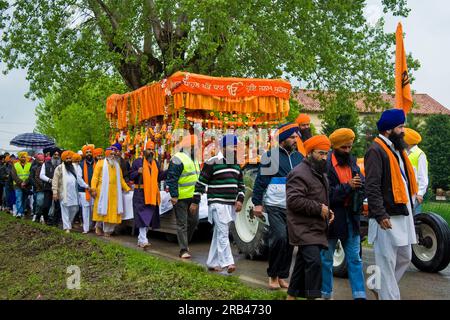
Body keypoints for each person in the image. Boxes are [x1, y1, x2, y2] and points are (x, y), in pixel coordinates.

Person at [364, 109, 417, 300]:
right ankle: (387, 295)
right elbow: (372, 187)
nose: (403, 130)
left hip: (401, 213)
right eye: (400, 127)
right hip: (385, 217)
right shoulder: (375, 150)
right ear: (388, 130)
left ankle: (378, 288)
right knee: (386, 263)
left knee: (405, 257)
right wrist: (380, 214)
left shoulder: (396, 149)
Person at [252, 122, 303, 289]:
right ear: (283, 139)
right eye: (292, 137)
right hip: (274, 205)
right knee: (280, 237)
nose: (296, 140)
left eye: (296, 137)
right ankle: (272, 275)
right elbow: (260, 182)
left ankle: (282, 276)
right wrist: (257, 204)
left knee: (290, 242)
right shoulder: (270, 156)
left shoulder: (299, 158)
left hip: (293, 207)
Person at [286, 135, 334, 300]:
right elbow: (293, 200)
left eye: (326, 154)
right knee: (314, 263)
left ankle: (291, 296)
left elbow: (319, 197)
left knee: (302, 263)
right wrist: (319, 208)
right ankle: (313, 297)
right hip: (302, 227)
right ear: (310, 153)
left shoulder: (318, 172)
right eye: (321, 153)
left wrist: (328, 211)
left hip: (315, 226)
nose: (324, 157)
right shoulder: (299, 173)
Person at [321, 128, 366, 300]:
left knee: (355, 260)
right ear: (335, 146)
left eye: (349, 147)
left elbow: (362, 182)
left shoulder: (352, 162)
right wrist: (348, 186)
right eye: (344, 148)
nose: (347, 151)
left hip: (351, 218)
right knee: (326, 259)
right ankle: (326, 294)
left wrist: (360, 185)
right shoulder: (325, 165)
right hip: (333, 218)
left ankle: (359, 296)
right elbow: (327, 194)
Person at [190, 134, 245, 273]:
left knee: (218, 233)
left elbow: (241, 186)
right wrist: (195, 202)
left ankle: (212, 262)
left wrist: (240, 200)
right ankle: (228, 262)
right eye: (232, 146)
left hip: (230, 204)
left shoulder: (237, 165)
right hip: (216, 203)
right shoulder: (212, 162)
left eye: (235, 146)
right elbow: (201, 183)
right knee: (222, 232)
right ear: (223, 147)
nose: (234, 149)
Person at [166, 135, 201, 259]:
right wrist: (174, 195)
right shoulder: (177, 159)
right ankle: (183, 250)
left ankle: (185, 243)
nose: (197, 148)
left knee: (194, 221)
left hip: (193, 197)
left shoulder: (194, 159)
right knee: (182, 224)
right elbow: (171, 179)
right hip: (181, 198)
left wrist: (198, 196)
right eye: (195, 146)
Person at [130, 140, 165, 249]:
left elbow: (159, 177)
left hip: (152, 193)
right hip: (140, 193)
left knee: (148, 217)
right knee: (142, 216)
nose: (150, 152)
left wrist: (169, 172)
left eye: (152, 150)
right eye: (149, 149)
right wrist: (137, 172)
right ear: (144, 150)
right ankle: (143, 239)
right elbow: (130, 176)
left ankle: (142, 239)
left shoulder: (156, 163)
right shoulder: (137, 162)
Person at [91, 147, 131, 237]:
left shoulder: (117, 165)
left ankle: (107, 230)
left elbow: (121, 179)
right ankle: (98, 226)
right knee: (101, 210)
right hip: (102, 192)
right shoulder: (100, 163)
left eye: (114, 154)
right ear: (107, 154)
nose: (113, 156)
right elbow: (95, 177)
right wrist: (93, 188)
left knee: (111, 212)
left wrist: (127, 188)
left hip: (114, 193)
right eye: (111, 154)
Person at [52, 151, 90, 233]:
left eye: (70, 158)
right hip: (63, 193)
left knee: (75, 208)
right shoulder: (59, 168)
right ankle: (66, 227)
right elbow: (55, 181)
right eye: (67, 158)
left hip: (74, 193)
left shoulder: (75, 167)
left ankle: (68, 222)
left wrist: (86, 186)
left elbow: (79, 179)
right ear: (63, 159)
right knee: (65, 209)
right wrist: (55, 192)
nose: (69, 160)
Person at [404, 128, 428, 214]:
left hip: (415, 196)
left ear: (408, 140)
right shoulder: (404, 152)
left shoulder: (420, 154)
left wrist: (420, 194)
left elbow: (423, 177)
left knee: (414, 221)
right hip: (405, 194)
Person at [40, 147, 62, 226]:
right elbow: (41, 175)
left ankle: (55, 222)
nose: (56, 156)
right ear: (52, 155)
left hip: (59, 188)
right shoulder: (46, 164)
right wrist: (50, 180)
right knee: (46, 205)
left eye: (58, 154)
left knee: (58, 206)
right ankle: (46, 219)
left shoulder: (62, 165)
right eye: (55, 154)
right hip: (48, 187)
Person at [78, 145, 96, 233]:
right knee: (85, 209)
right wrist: (87, 187)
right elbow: (79, 178)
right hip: (84, 191)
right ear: (84, 154)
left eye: (90, 152)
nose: (89, 154)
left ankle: (92, 225)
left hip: (95, 190)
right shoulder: (80, 164)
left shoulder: (96, 163)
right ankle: (86, 228)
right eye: (87, 152)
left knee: (93, 209)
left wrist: (94, 188)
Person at [10, 151, 32, 218]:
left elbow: (31, 175)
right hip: (17, 185)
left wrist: (25, 182)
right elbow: (14, 175)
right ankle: (19, 212)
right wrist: (20, 182)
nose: (23, 158)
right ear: (19, 158)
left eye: (24, 157)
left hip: (27, 185)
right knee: (18, 198)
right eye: (22, 157)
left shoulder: (30, 165)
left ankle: (22, 211)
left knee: (24, 199)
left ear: (26, 157)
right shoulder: (15, 165)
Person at [33, 154, 48, 224]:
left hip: (48, 189)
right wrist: (42, 185)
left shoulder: (48, 167)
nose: (42, 161)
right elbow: (36, 178)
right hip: (40, 188)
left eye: (43, 160)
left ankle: (44, 217)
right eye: (40, 160)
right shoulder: (38, 168)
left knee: (46, 204)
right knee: (39, 203)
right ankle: (37, 216)